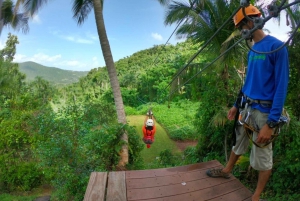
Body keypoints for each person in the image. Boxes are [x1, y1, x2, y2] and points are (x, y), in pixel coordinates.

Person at [206, 5, 289, 201]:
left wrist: (271, 123)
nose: (241, 32)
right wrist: (236, 105)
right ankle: (227, 170)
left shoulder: (276, 47)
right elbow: (248, 82)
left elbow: (281, 88)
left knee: (262, 157)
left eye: (241, 26)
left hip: (265, 112)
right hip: (248, 107)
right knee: (239, 141)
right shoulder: (252, 50)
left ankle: (256, 196)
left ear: (251, 23)